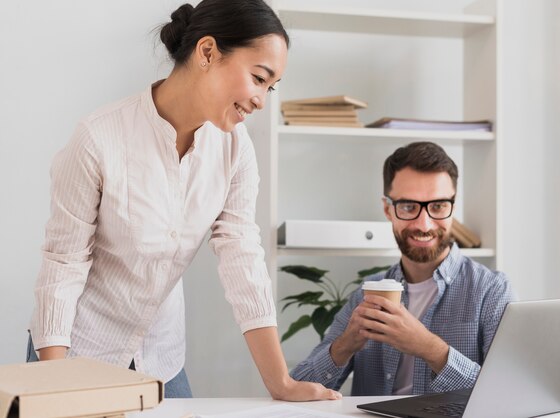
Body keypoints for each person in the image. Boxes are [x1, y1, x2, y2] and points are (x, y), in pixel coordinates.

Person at [27, 0, 341, 401]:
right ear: (207, 52)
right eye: (259, 78)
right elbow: (63, 265)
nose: (263, 99)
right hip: (75, 353)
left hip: (161, 359)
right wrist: (58, 386)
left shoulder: (234, 149)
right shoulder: (98, 138)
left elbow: (242, 256)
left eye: (271, 86)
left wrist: (280, 382)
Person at [291, 141, 514, 396]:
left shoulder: (492, 291)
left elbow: (507, 396)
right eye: (408, 207)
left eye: (438, 206)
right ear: (388, 209)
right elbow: (297, 390)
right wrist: (344, 346)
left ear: (453, 205)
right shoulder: (367, 295)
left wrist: (430, 349)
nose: (425, 224)